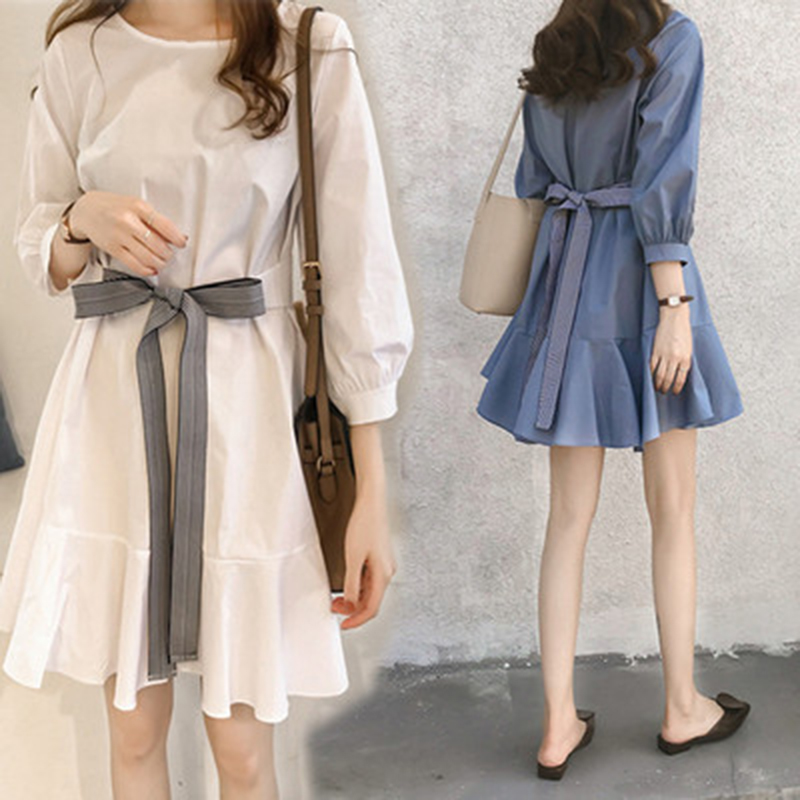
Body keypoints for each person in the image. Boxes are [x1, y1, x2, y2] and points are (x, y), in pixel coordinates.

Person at [0, 1, 413, 797]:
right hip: (115, 410)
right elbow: (38, 248)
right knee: (133, 733)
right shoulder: (82, 49)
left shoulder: (307, 46)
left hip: (248, 413)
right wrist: (81, 218)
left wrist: (371, 495)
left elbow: (359, 267)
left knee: (243, 748)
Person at [476, 0, 749, 780]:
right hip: (647, 285)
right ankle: (681, 707)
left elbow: (536, 180)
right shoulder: (672, 39)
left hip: (566, 288)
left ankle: (557, 723)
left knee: (567, 518)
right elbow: (665, 175)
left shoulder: (556, 43)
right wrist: (674, 308)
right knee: (674, 508)